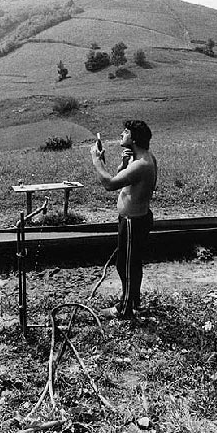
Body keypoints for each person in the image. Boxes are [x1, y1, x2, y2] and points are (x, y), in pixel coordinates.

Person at [90, 120, 158, 319]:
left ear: (134, 139)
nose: (121, 134)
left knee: (127, 266)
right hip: (136, 219)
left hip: (133, 222)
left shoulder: (141, 164)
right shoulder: (145, 159)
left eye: (125, 132)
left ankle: (126, 309)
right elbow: (129, 181)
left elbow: (110, 184)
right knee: (130, 263)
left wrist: (96, 161)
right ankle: (133, 302)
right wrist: (124, 164)